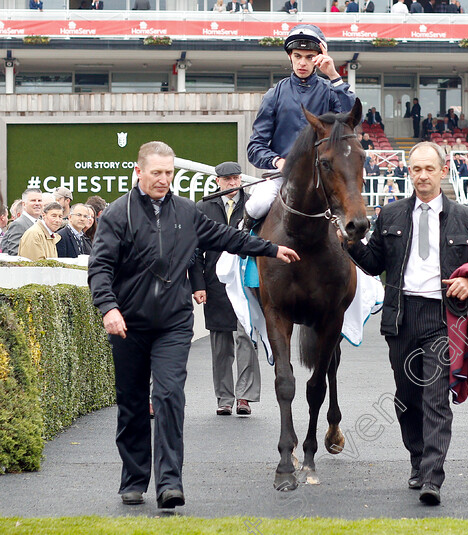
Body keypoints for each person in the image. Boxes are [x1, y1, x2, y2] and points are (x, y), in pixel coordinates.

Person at [88, 141, 300, 510]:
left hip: (173, 323)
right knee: (133, 404)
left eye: (169, 173)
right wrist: (108, 307)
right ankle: (134, 480)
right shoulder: (117, 215)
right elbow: (100, 267)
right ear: (139, 172)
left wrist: (269, 249)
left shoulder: (187, 210)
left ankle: (170, 482)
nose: (163, 179)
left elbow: (225, 237)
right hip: (129, 325)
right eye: (156, 173)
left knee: (169, 397)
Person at [346, 141, 468, 506]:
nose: (422, 176)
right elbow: (374, 262)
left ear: (443, 171)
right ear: (408, 172)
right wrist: (348, 243)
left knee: (435, 398)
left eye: (429, 169)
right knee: (406, 398)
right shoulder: (391, 215)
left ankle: (432, 477)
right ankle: (417, 459)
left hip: (444, 319)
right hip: (401, 316)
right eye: (416, 169)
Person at [246, 25, 355, 221]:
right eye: (297, 56)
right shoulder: (274, 94)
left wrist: (333, 75)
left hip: (322, 178)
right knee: (256, 206)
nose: (302, 63)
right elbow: (255, 147)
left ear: (319, 58)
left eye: (309, 57)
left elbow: (351, 121)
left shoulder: (331, 90)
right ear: (290, 57)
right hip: (281, 177)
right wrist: (278, 161)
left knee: (357, 227)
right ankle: (238, 250)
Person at [189, 162, 262, 417]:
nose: (232, 183)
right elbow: (195, 250)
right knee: (220, 342)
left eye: (236, 178)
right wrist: (198, 285)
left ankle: (245, 396)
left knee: (246, 338)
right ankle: (224, 398)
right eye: (227, 179)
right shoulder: (203, 207)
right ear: (217, 181)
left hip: (246, 282)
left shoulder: (255, 205)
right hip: (215, 283)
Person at [1, 188, 43, 257]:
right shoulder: (18, 224)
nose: (37, 203)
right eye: (33, 200)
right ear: (24, 204)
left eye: (39, 200)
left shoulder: (41, 223)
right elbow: (15, 253)